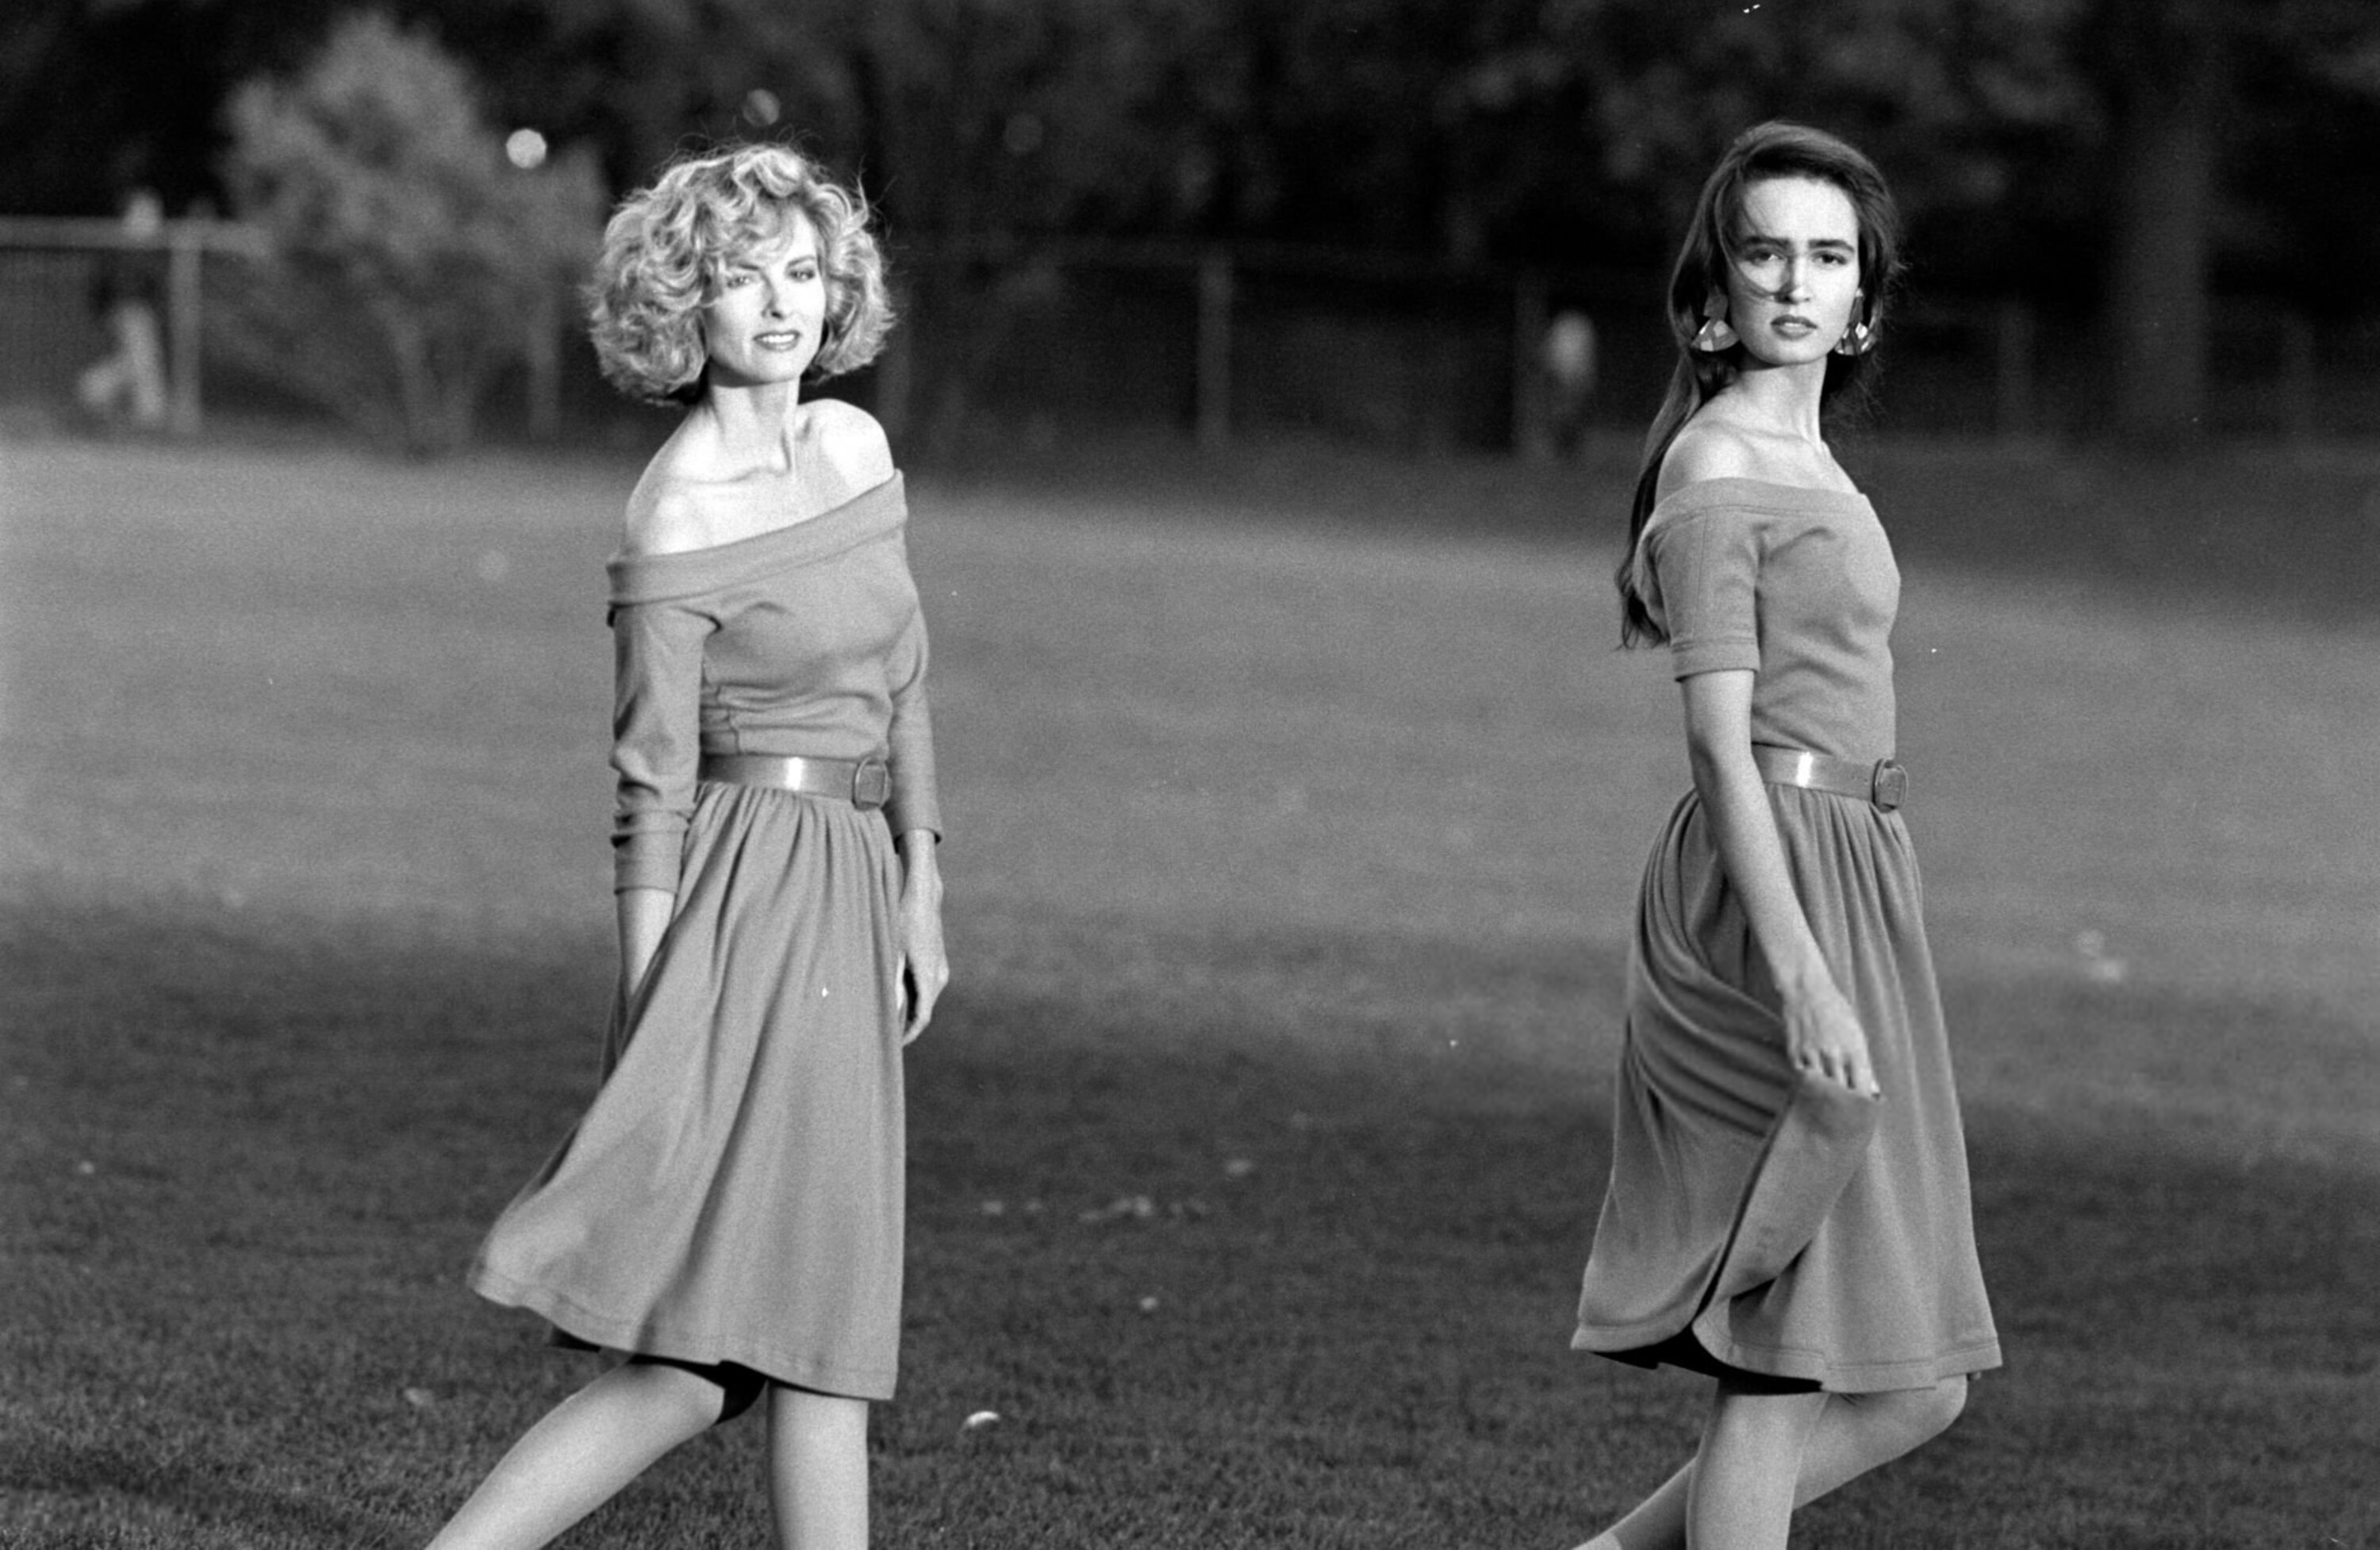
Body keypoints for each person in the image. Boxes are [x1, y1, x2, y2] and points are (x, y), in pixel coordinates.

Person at [424, 142, 947, 1550]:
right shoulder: (674, 511)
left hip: (851, 895)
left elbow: (902, 673)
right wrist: (656, 1009)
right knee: (728, 1356)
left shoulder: (856, 449)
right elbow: (648, 794)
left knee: (788, 1342)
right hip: (738, 915)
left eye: (801, 272)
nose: (780, 303)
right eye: (740, 277)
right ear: (681, 304)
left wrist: (923, 878)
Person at [1567, 122, 1999, 1550]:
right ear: (1719, 289)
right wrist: (1805, 974)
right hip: (1775, 890)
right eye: (1767, 253)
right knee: (1782, 1353)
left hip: (1861, 878)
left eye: (1828, 256)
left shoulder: (1809, 460)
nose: (1798, 282)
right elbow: (1718, 743)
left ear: (1864, 297)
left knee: (1918, 1382)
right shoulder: (1717, 467)